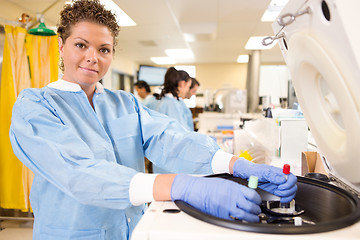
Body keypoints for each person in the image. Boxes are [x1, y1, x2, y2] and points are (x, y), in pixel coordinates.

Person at [9, 0, 297, 239]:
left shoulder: (123, 103)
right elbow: (78, 171)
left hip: (133, 231)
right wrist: (181, 186)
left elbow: (170, 139)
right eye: (81, 45)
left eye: (104, 49)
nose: (92, 57)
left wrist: (234, 164)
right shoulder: (35, 106)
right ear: (61, 45)